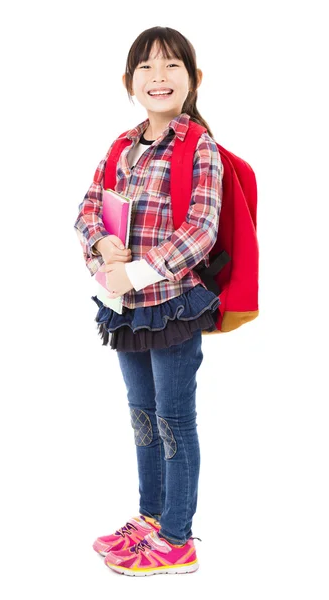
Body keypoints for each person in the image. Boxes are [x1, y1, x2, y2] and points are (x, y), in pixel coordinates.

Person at [74, 26, 223, 576]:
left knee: (173, 420)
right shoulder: (120, 146)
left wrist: (133, 272)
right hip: (126, 310)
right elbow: (87, 209)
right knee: (142, 415)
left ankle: (178, 538)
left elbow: (201, 230)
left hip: (174, 305)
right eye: (146, 68)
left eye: (172, 67)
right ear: (128, 82)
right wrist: (100, 248)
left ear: (194, 79)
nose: (158, 78)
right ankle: (152, 517)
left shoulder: (198, 147)